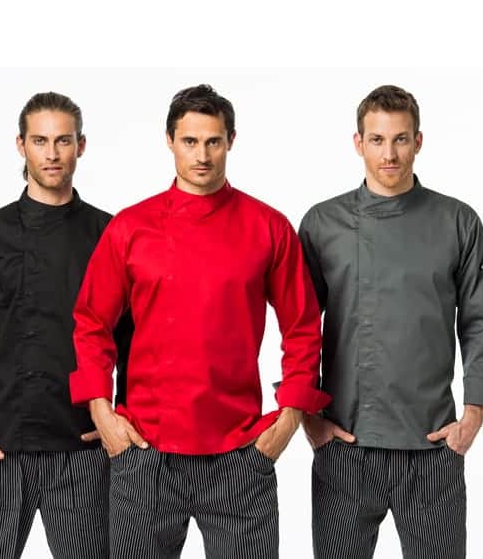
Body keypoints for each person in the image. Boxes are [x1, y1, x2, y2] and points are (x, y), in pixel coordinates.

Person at [69, 84, 330, 559]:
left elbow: (303, 326)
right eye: (190, 141)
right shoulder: (130, 227)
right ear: (169, 141)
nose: (202, 155)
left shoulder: (269, 227)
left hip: (240, 454)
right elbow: (91, 322)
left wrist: (289, 417)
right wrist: (101, 412)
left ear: (231, 141)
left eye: (213, 141)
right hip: (145, 451)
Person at [299, 84, 483, 559]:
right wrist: (308, 414)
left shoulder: (458, 221)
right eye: (377, 140)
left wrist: (474, 413)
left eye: (400, 139)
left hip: (432, 446)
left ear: (418, 141)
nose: (389, 154)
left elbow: (481, 319)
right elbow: (300, 326)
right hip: (346, 446)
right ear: (358, 143)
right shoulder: (321, 223)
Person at [0, 91, 130, 559]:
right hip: (0, 443)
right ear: (21, 145)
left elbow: (131, 338)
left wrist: (120, 414)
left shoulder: (108, 234)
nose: (52, 153)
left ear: (81, 146)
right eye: (40, 141)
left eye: (63, 141)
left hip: (82, 447)